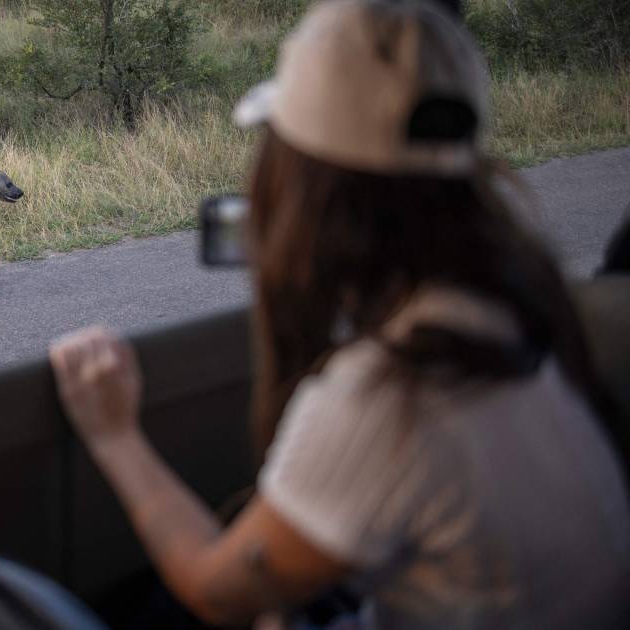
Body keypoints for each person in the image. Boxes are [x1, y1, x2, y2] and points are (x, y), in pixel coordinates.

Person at [48, 1, 630, 627]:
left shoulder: (387, 396)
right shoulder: (513, 308)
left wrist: (114, 435)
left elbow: (215, 593)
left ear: (297, 189)